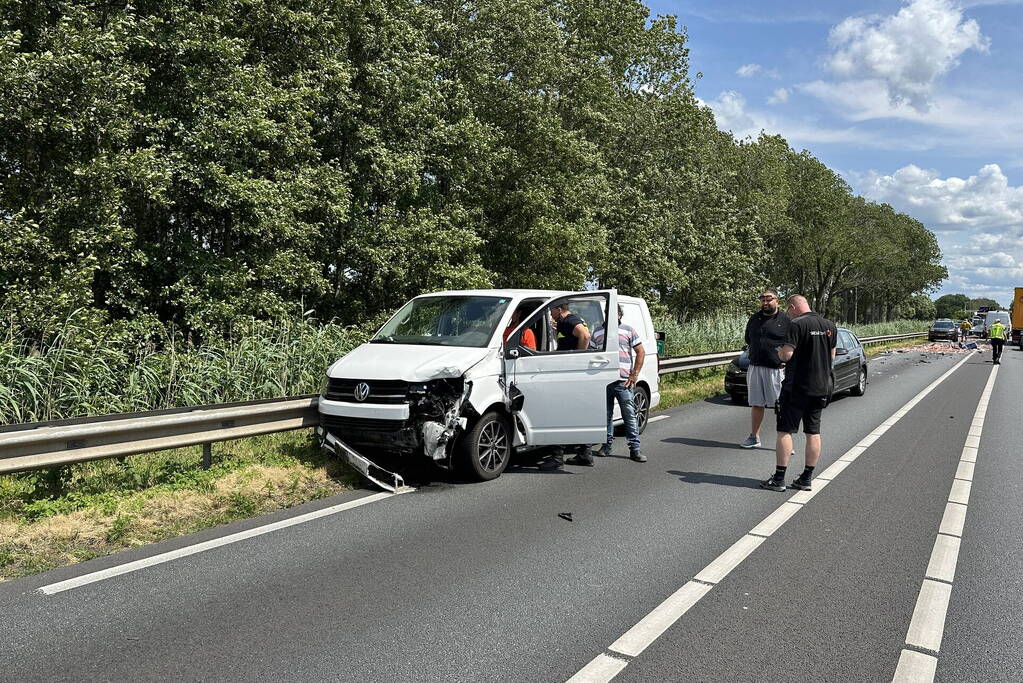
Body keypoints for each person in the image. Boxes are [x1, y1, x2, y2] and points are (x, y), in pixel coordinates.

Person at [760, 295, 837, 493]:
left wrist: (778, 354)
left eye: (789, 310)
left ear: (794, 307)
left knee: (785, 430)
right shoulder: (829, 325)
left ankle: (779, 478)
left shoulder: (796, 325)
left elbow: (787, 354)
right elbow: (832, 355)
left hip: (797, 386)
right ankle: (807, 477)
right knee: (813, 431)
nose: (789, 313)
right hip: (821, 386)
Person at [567, 305, 647, 466]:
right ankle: (607, 445)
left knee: (629, 415)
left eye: (614, 313)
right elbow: (592, 355)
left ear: (619, 314)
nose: (610, 315)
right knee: (606, 415)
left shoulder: (628, 330)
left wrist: (634, 373)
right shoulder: (597, 332)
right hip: (604, 380)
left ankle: (635, 449)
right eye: (607, 313)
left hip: (623, 380)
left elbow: (640, 351)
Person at [539, 301, 592, 470]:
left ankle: (557, 457)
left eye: (552, 310)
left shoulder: (570, 320)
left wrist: (578, 358)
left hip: (570, 371)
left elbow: (585, 335)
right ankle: (585, 453)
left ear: (559, 309)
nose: (550, 314)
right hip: (569, 372)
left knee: (558, 413)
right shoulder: (564, 322)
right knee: (576, 414)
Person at [739, 289, 790, 449]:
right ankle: (754, 437)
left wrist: (786, 361)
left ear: (777, 301)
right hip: (755, 367)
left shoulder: (786, 320)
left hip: (776, 369)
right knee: (756, 404)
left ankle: (786, 441)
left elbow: (792, 344)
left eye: (769, 299)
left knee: (781, 406)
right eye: (762, 299)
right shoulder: (754, 318)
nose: (765, 302)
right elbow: (748, 338)